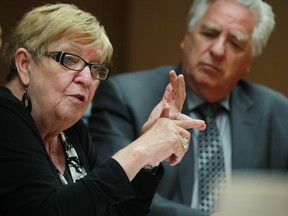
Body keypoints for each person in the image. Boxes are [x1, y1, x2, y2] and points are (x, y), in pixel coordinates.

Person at [0, 3, 206, 216]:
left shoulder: (72, 132)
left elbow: (118, 212)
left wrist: (149, 160)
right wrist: (142, 148)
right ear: (25, 65)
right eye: (70, 59)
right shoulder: (4, 115)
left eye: (95, 68)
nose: (87, 79)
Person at [87, 0, 288, 216]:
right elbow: (114, 192)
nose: (218, 50)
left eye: (235, 43)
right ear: (186, 38)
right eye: (209, 33)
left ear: (249, 62)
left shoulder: (278, 114)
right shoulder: (125, 97)